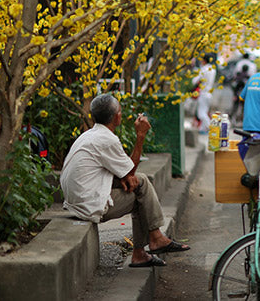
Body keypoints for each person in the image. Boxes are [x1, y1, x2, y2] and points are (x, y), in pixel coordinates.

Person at [60, 94, 190, 268]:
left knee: (139, 182)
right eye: (120, 111)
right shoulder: (107, 139)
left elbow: (124, 174)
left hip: (77, 200)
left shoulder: (89, 135)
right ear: (117, 117)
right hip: (89, 206)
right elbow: (130, 171)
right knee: (141, 194)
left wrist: (124, 178)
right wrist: (141, 135)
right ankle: (151, 243)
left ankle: (146, 248)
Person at [192, 53, 217, 134]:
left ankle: (212, 128)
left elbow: (194, 81)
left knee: (201, 114)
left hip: (203, 93)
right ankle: (202, 130)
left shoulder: (204, 69)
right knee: (205, 112)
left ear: (204, 61)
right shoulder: (213, 70)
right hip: (209, 94)